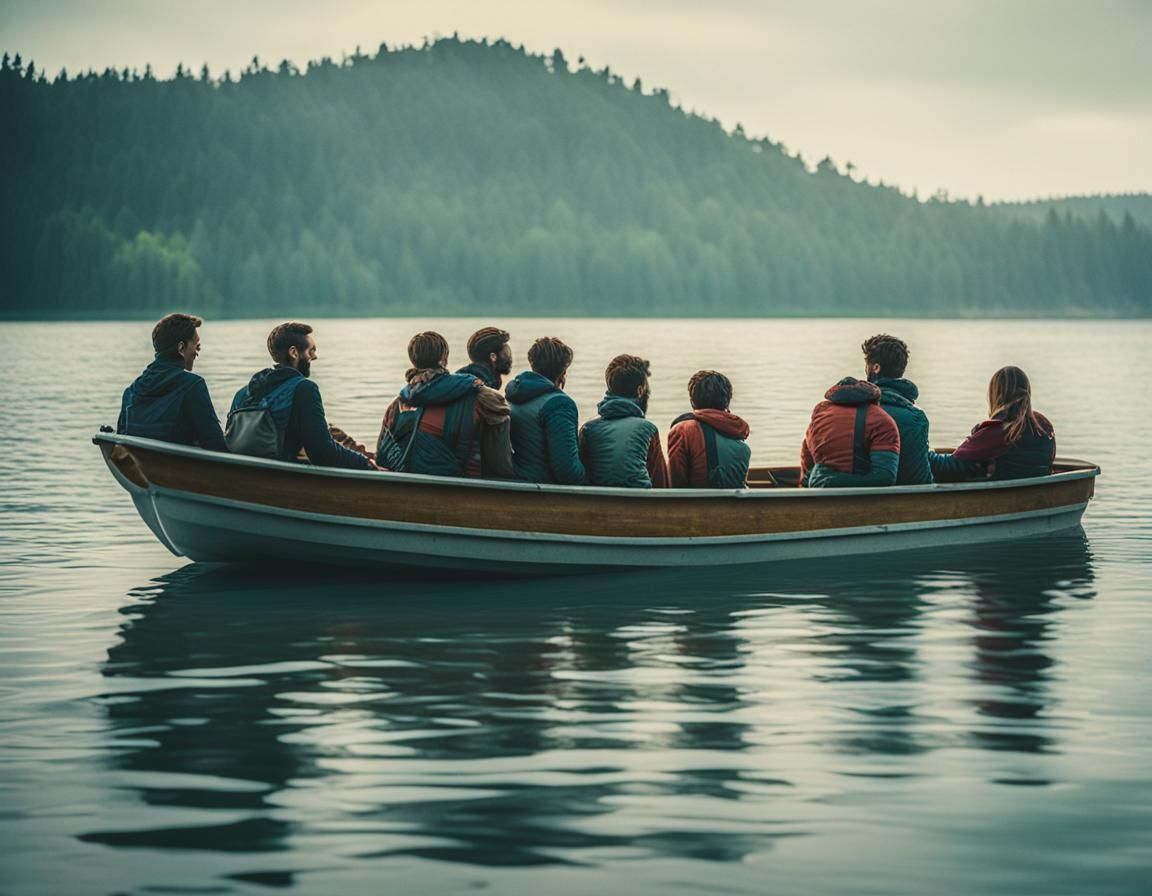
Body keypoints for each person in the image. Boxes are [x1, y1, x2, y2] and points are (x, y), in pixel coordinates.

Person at [227, 322, 375, 470]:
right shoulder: (304, 389)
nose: (315, 356)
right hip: (277, 476)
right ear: (294, 353)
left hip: (240, 472)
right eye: (311, 351)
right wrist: (366, 463)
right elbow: (323, 453)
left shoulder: (242, 394)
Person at [378, 331, 514, 479]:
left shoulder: (396, 406)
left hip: (404, 484)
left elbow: (381, 456)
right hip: (461, 486)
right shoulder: (480, 398)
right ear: (443, 360)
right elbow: (501, 463)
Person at [117, 313, 227, 450]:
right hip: (179, 467)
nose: (197, 352)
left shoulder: (131, 391)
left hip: (139, 465)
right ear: (181, 348)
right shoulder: (192, 385)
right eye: (196, 345)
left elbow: (121, 441)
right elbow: (216, 445)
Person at [930, 366, 1055, 481]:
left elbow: (946, 467)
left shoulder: (997, 432)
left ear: (995, 395)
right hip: (1035, 494)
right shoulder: (1043, 426)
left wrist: (922, 450)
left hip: (1003, 498)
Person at [579, 354, 669, 488]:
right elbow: (661, 483)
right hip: (638, 502)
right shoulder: (647, 429)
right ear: (639, 391)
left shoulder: (587, 429)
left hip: (597, 502)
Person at [505, 337, 586, 484]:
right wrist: (590, 479)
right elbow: (567, 470)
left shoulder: (513, 397)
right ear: (563, 372)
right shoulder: (559, 404)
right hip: (543, 488)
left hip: (517, 479)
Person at [801, 377, 900, 487]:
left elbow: (807, 462)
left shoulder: (820, 414)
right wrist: (833, 482)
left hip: (818, 492)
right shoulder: (882, 420)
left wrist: (817, 483)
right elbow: (885, 477)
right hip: (859, 499)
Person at [862, 333, 933, 484]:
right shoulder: (916, 417)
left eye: (866, 364)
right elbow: (921, 479)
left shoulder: (856, 410)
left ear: (875, 367)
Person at [667, 370, 751, 488]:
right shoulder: (741, 442)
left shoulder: (683, 430)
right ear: (727, 402)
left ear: (693, 402)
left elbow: (676, 485)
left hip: (698, 504)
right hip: (733, 505)